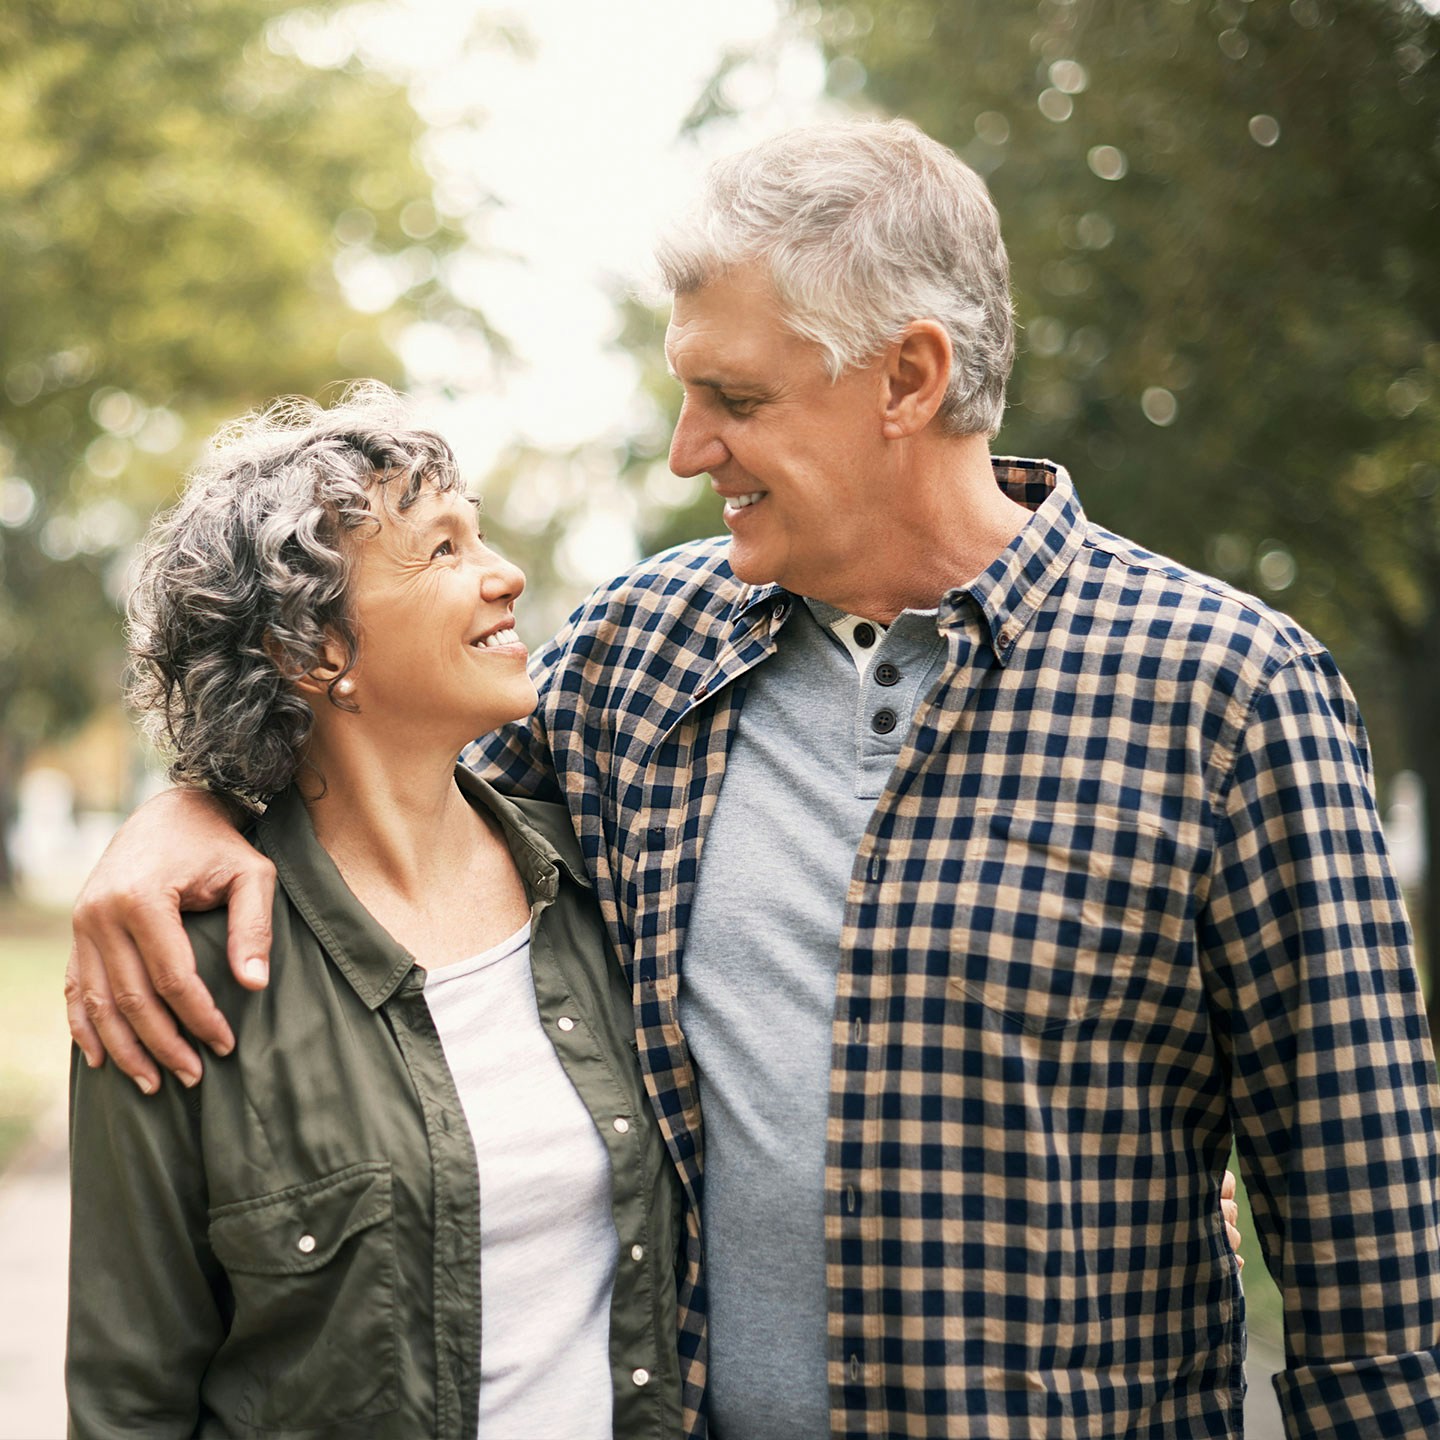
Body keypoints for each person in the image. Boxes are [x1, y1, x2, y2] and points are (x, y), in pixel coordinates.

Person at [67, 119, 1440, 1438]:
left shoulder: (1228, 694)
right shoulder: (634, 657)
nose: (688, 449)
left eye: (736, 400)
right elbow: (368, 777)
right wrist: (182, 810)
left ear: (909, 379)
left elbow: (1374, 1260)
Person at [65, 387, 682, 1439]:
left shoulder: (607, 879)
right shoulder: (176, 975)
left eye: (478, 534)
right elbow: (130, 1402)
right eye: (442, 550)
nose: (505, 574)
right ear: (315, 651)